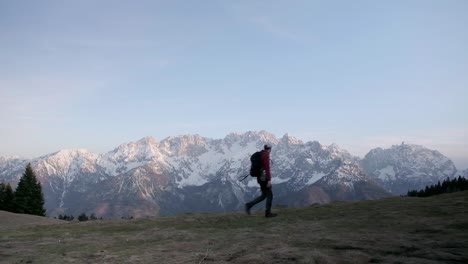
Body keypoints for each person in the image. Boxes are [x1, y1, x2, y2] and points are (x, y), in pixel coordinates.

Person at [245, 144, 277, 218]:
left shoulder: (260, 154)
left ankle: (249, 205)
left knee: (263, 195)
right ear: (270, 149)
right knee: (270, 195)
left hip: (259, 178)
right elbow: (267, 168)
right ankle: (268, 213)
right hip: (264, 178)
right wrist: (269, 180)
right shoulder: (266, 156)